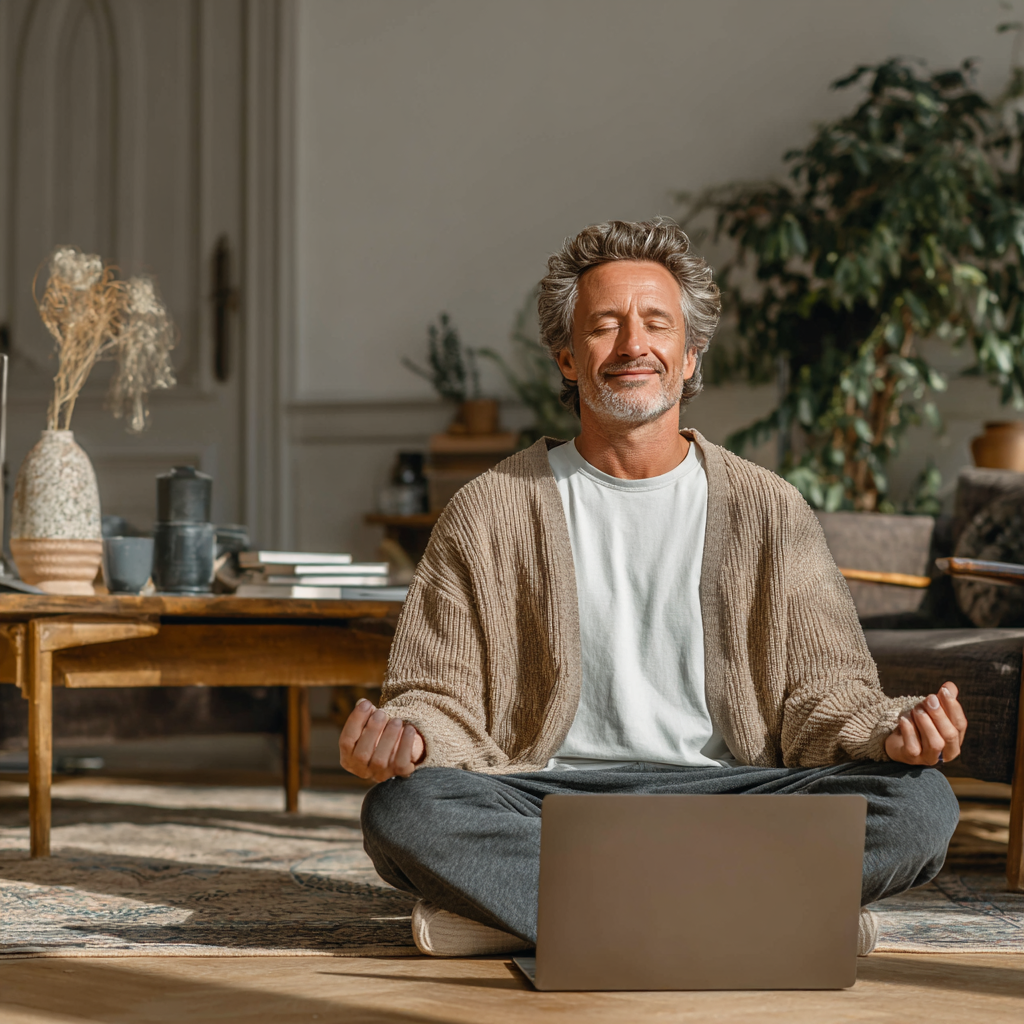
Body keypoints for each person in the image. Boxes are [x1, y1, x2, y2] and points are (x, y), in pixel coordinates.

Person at [340, 219, 965, 958]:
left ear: (689, 353)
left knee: (919, 804)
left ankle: (541, 918)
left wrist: (889, 731)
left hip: (731, 798)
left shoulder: (767, 506)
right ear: (568, 358)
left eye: (656, 324)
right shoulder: (491, 508)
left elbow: (827, 688)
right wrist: (407, 737)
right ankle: (772, 915)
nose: (633, 345)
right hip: (547, 801)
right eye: (604, 326)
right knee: (407, 809)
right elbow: (438, 694)